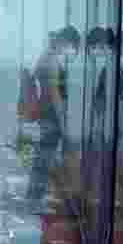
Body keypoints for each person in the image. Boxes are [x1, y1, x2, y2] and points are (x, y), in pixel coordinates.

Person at [27, 26, 81, 202]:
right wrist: (63, 122)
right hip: (51, 116)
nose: (71, 51)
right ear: (66, 42)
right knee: (45, 158)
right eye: (72, 46)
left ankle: (35, 196)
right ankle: (35, 198)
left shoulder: (45, 56)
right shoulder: (51, 59)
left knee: (43, 158)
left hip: (45, 115)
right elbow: (55, 94)